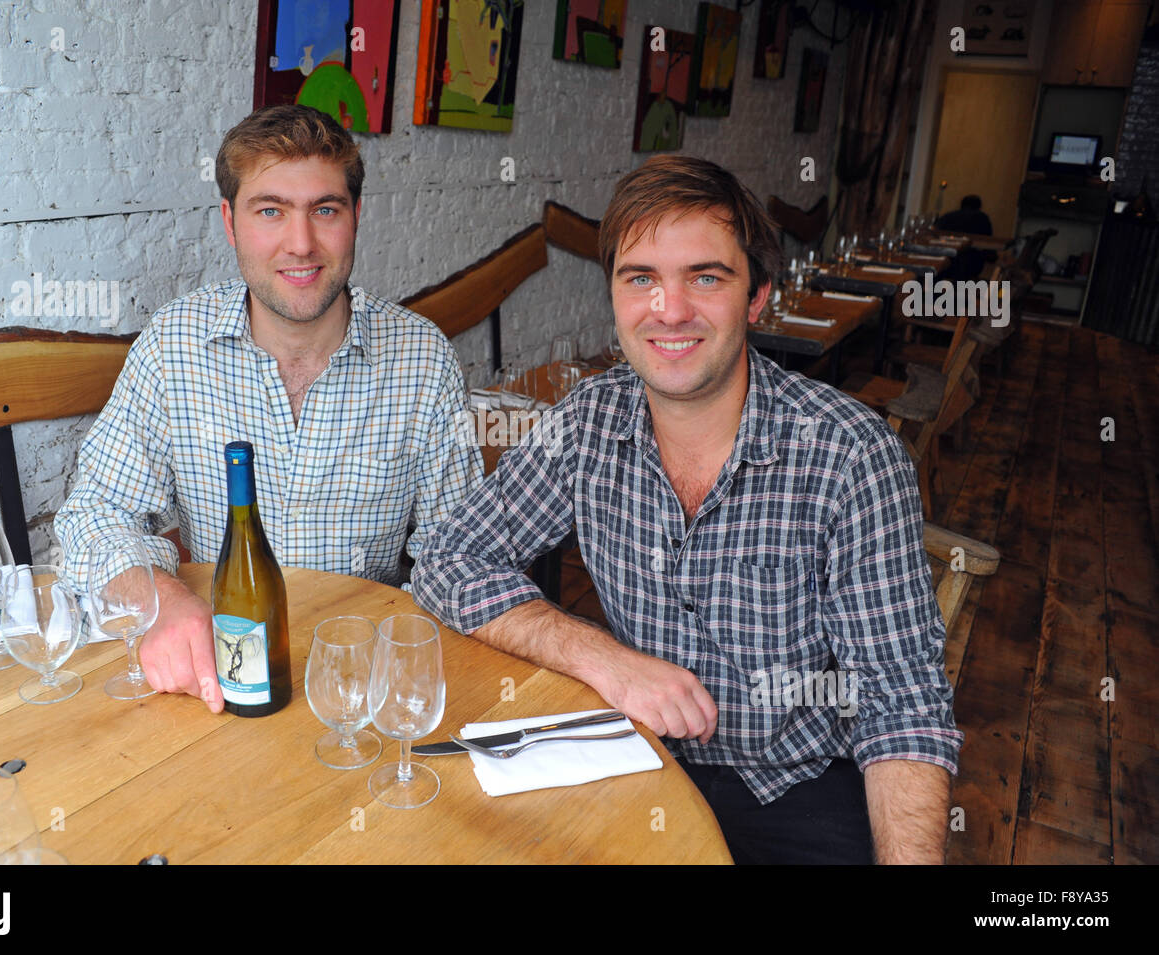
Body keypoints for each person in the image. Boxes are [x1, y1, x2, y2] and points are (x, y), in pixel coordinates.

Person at [412, 155, 962, 865]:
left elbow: (903, 705)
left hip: (794, 788)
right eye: (640, 278)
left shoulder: (850, 454)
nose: (669, 310)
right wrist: (603, 658)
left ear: (758, 295)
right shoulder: (587, 420)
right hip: (632, 757)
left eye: (705, 277)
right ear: (613, 294)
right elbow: (448, 556)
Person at [56, 105, 482, 713]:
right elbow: (94, 515)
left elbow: (464, 555)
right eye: (270, 211)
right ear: (230, 222)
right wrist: (162, 598)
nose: (301, 244)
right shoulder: (175, 346)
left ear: (357, 216)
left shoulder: (423, 361)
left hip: (361, 690)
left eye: (325, 210)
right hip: (218, 684)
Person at [936, 195, 993, 280]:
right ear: (979, 207)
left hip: (945, 260)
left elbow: (935, 233)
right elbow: (988, 242)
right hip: (970, 264)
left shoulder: (948, 216)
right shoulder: (982, 218)